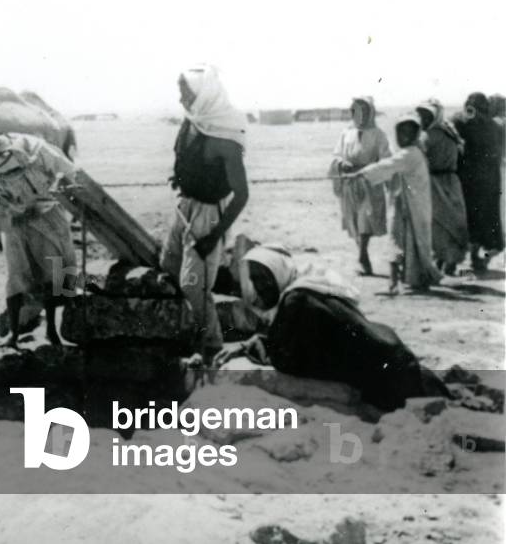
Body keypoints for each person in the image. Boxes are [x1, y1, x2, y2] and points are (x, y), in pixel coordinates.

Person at [213, 245, 448, 411]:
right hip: (400, 362)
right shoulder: (312, 286)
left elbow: (288, 360)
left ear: (279, 272)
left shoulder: (296, 301)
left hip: (389, 384)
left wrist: (253, 349)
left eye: (264, 278)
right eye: (254, 280)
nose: (259, 286)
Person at [161, 64, 249, 361]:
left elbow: (242, 194)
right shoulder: (190, 124)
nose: (181, 99)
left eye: (185, 92)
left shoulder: (226, 137)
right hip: (184, 208)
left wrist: (214, 236)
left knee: (194, 286)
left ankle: (211, 349)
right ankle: (190, 341)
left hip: (209, 215)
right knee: (169, 267)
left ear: (202, 94)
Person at [0, 133, 77, 348]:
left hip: (49, 217)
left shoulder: (41, 153)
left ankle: (53, 331)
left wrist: (63, 193)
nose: (9, 176)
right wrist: (14, 217)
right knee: (16, 275)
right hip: (13, 223)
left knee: (57, 271)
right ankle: (13, 334)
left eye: (13, 170)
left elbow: (71, 175)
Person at [352, 114, 440, 292]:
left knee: (403, 241)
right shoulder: (411, 153)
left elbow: (387, 166)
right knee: (401, 241)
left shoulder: (411, 154)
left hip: (412, 208)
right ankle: (401, 281)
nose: (404, 137)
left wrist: (360, 174)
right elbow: (389, 167)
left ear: (415, 135)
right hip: (407, 206)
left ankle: (403, 281)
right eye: (401, 132)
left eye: (408, 133)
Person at [329, 96, 391, 275]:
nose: (357, 115)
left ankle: (363, 254)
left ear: (369, 113)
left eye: (362, 111)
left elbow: (386, 158)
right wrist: (341, 163)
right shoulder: (346, 133)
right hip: (350, 183)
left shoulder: (379, 135)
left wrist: (367, 169)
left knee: (366, 220)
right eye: (354, 111)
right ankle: (361, 253)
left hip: (369, 184)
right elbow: (337, 154)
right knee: (354, 220)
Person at [452, 92, 505, 272]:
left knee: (484, 221)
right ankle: (476, 258)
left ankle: (479, 258)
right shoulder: (467, 124)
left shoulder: (493, 126)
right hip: (477, 180)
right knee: (478, 220)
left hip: (480, 180)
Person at [416, 99, 468, 275]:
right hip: (452, 181)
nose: (422, 119)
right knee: (453, 222)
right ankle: (449, 261)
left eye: (426, 115)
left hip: (434, 183)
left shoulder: (427, 136)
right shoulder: (450, 132)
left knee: (437, 224)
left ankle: (440, 261)